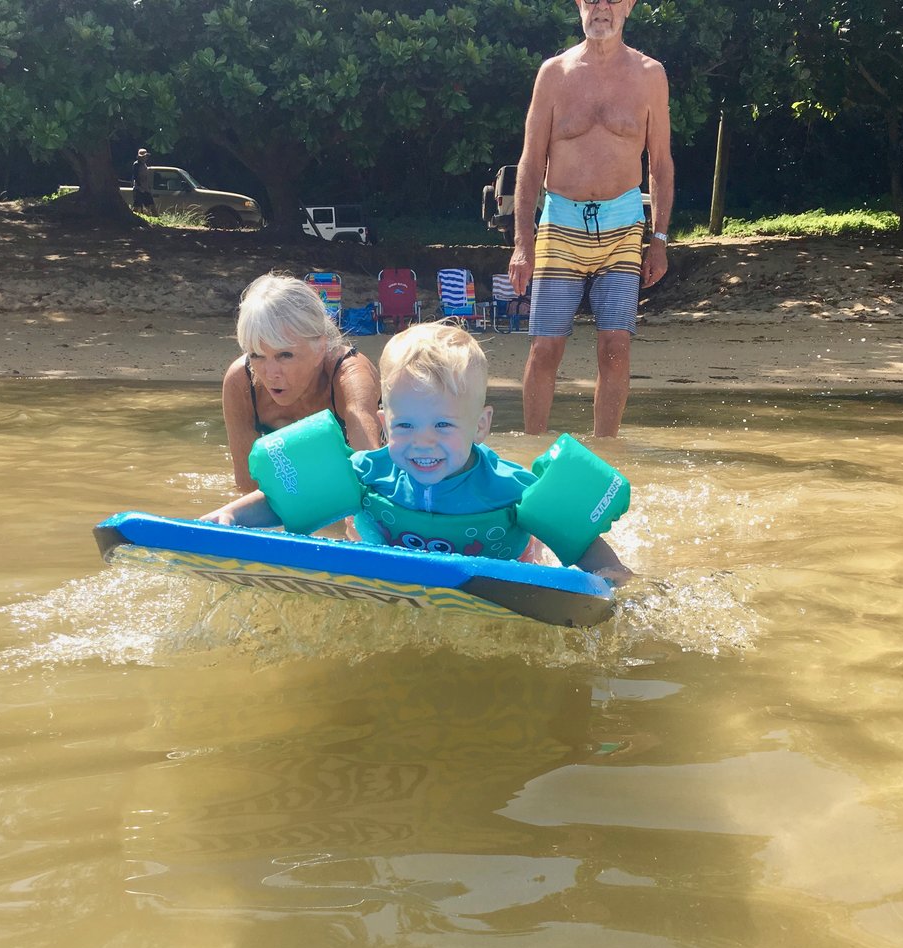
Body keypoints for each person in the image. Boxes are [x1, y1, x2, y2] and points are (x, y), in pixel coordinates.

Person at [201, 323, 632, 585]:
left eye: (443, 425)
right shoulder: (369, 473)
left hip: (500, 567)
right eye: (405, 426)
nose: (423, 442)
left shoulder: (510, 490)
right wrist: (230, 518)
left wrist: (614, 583)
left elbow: (583, 547)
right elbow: (285, 500)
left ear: (481, 425)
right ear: (385, 424)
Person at [508, 0, 675, 440]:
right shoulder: (554, 73)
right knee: (545, 347)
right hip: (560, 223)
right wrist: (522, 243)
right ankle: (534, 452)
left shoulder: (649, 75)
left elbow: (660, 163)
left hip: (623, 226)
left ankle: (607, 452)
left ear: (629, 6)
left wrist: (658, 238)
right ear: (580, 5)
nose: (602, 7)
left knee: (616, 347)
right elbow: (530, 162)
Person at [221, 272, 382, 496]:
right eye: (257, 355)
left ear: (319, 349)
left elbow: (371, 478)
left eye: (285, 355)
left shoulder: (349, 374)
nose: (270, 373)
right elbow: (248, 486)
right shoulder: (242, 381)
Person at [131, 148, 154, 214]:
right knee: (137, 207)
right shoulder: (136, 164)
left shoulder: (144, 165)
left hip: (145, 188)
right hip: (139, 189)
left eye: (145, 156)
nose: (145, 158)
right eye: (143, 156)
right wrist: (140, 186)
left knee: (151, 205)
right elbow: (136, 176)